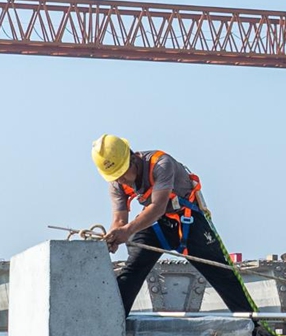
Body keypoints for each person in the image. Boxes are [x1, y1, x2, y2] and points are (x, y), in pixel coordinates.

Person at [90, 134, 256, 317]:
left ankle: (256, 326)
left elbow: (157, 207)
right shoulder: (116, 183)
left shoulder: (161, 164)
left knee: (221, 272)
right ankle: (112, 324)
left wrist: (127, 231)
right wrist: (114, 237)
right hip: (155, 225)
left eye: (123, 173)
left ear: (132, 158)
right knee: (133, 269)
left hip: (187, 220)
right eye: (116, 176)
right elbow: (120, 220)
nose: (122, 180)